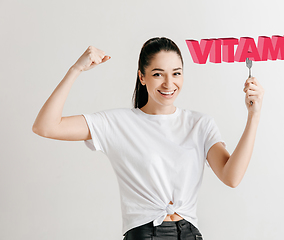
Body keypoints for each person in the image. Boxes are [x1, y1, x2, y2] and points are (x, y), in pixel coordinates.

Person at [32, 37, 265, 240]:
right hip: (144, 234)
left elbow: (231, 176)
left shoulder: (199, 124)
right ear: (142, 77)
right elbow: (46, 126)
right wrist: (76, 69)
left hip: (190, 234)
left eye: (176, 73)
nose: (168, 84)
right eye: (157, 74)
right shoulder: (119, 123)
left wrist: (253, 115)